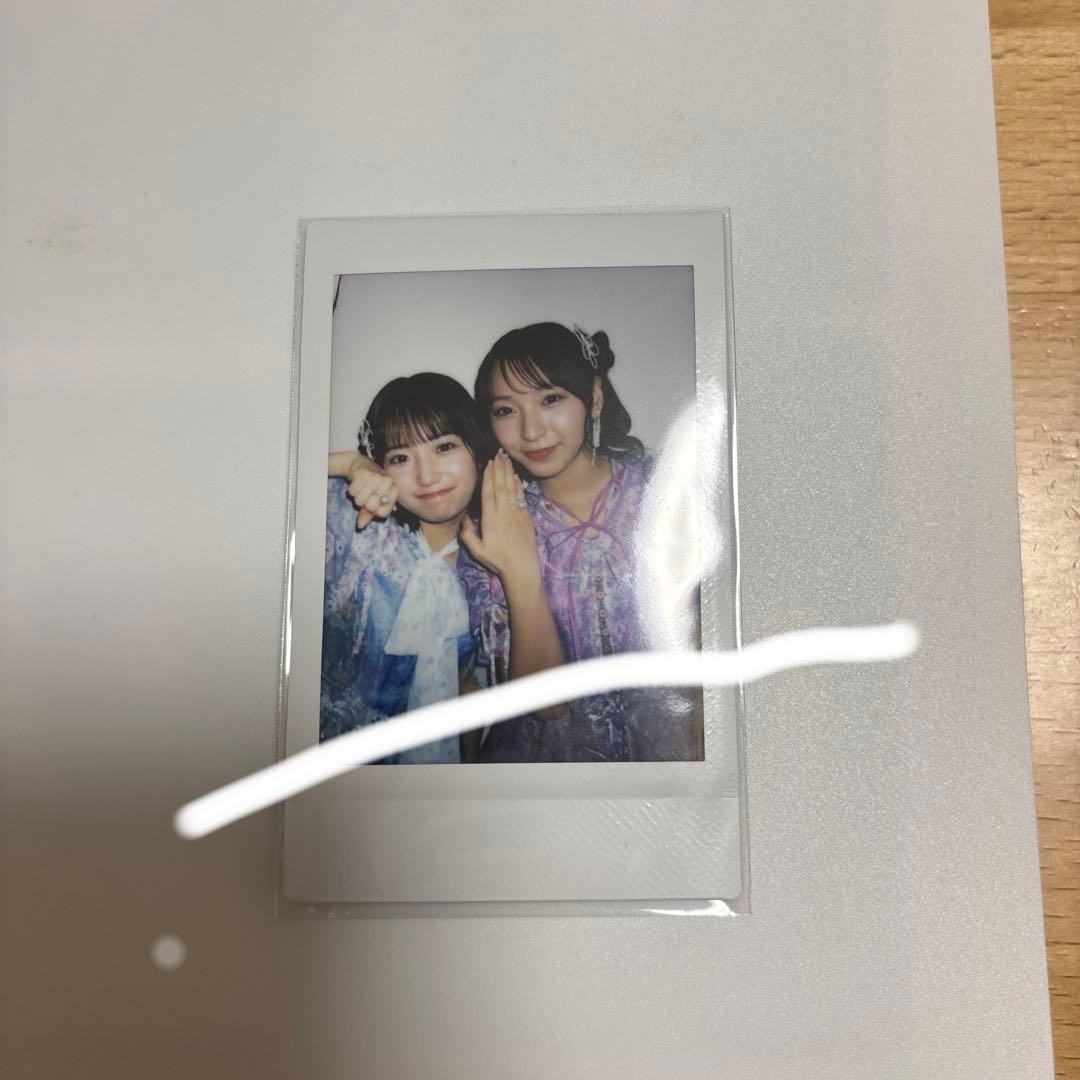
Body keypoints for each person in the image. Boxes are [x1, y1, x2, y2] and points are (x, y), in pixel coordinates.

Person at [460, 322, 703, 762]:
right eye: (506, 410)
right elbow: (545, 705)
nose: (531, 430)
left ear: (594, 396)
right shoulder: (492, 529)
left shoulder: (666, 492)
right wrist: (520, 572)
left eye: (550, 399)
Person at [323, 372, 561, 763]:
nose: (426, 475)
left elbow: (541, 702)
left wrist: (519, 569)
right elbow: (260, 474)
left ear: (477, 449)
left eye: (444, 447)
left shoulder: (490, 563)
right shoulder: (352, 524)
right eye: (400, 458)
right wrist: (351, 463)